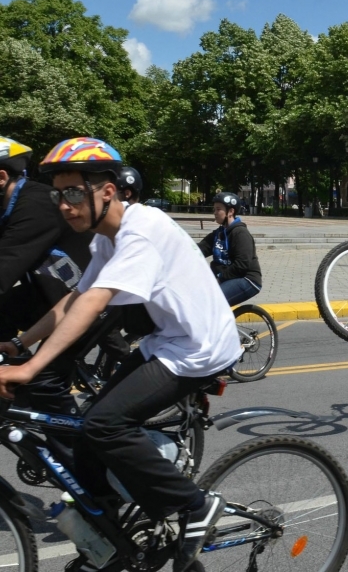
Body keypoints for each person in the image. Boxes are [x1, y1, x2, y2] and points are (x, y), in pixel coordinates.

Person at [0, 137, 240, 572]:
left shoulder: (140, 232)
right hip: (166, 342)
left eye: (74, 193)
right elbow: (76, 298)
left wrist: (31, 367)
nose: (64, 205)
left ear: (107, 191)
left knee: (105, 424)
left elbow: (94, 304)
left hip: (199, 348)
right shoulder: (104, 238)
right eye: (58, 195)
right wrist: (19, 345)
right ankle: (113, 537)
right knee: (88, 431)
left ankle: (195, 505)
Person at [0, 135, 92, 414]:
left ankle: (74, 454)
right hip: (47, 297)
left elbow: (4, 268)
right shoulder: (8, 205)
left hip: (88, 303)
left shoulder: (36, 206)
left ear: (1, 176)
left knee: (44, 383)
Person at [198, 192, 263, 306]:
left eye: (218, 209)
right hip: (227, 277)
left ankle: (223, 323)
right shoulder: (219, 233)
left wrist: (220, 278)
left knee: (213, 303)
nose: (215, 213)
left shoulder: (240, 233)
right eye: (214, 209)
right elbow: (199, 249)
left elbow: (242, 265)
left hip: (247, 279)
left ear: (231, 212)